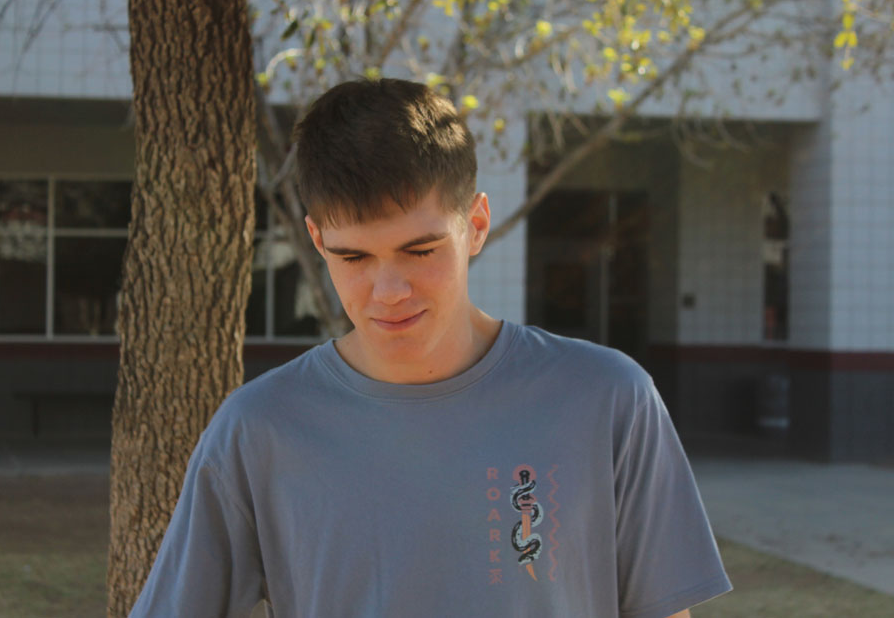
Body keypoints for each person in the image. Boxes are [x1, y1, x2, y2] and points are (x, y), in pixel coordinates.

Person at [128, 78, 731, 618]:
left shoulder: (608, 398)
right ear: (316, 239)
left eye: (420, 251)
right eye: (354, 257)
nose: (388, 292)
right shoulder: (258, 430)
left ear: (476, 224)